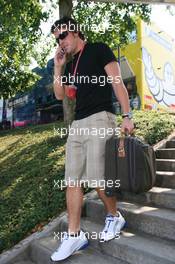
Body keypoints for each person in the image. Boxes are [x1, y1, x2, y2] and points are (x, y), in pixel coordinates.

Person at [50, 17, 134, 262]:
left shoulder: (98, 49)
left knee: (98, 176)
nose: (60, 41)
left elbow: (117, 82)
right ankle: (74, 234)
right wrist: (57, 68)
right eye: (57, 39)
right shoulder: (71, 64)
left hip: (101, 117)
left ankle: (114, 217)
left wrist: (127, 115)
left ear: (75, 31)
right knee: (72, 179)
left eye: (63, 35)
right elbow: (60, 94)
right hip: (77, 123)